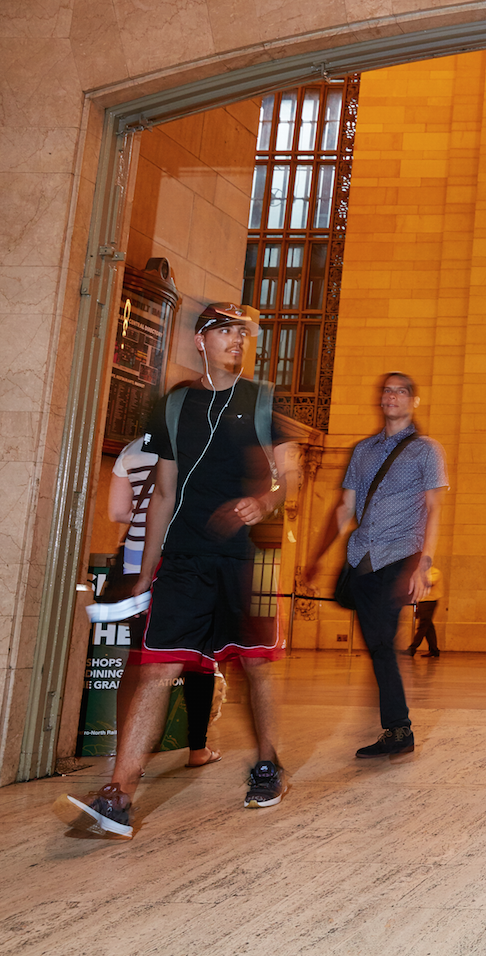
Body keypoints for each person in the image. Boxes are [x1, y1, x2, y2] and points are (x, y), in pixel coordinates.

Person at [56, 302, 299, 836]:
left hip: (243, 560)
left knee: (255, 665)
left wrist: (265, 500)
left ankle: (268, 765)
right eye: (226, 331)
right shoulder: (174, 407)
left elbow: (289, 474)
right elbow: (163, 494)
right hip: (185, 560)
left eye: (243, 333)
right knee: (158, 668)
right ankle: (118, 793)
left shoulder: (261, 401)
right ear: (200, 341)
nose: (238, 340)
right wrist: (145, 571)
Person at [322, 372, 448, 758]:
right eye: (387, 390)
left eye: (401, 390)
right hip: (362, 558)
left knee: (381, 643)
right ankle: (396, 727)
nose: (392, 396)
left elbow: (433, 508)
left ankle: (399, 729)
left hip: (401, 554)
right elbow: (345, 507)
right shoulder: (362, 451)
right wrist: (316, 556)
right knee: (378, 645)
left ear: (414, 401)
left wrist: (424, 565)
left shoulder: (427, 450)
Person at [108, 433, 220, 767]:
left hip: (132, 562)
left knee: (137, 660)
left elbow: (116, 511)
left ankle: (127, 756)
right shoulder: (195, 444)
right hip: (177, 564)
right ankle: (197, 749)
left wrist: (140, 516)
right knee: (198, 659)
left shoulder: (129, 450)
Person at [406, 565, 443, 658]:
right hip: (422, 601)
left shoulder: (435, 572)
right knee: (428, 626)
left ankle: (412, 649)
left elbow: (429, 583)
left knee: (423, 625)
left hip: (430, 601)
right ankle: (434, 650)